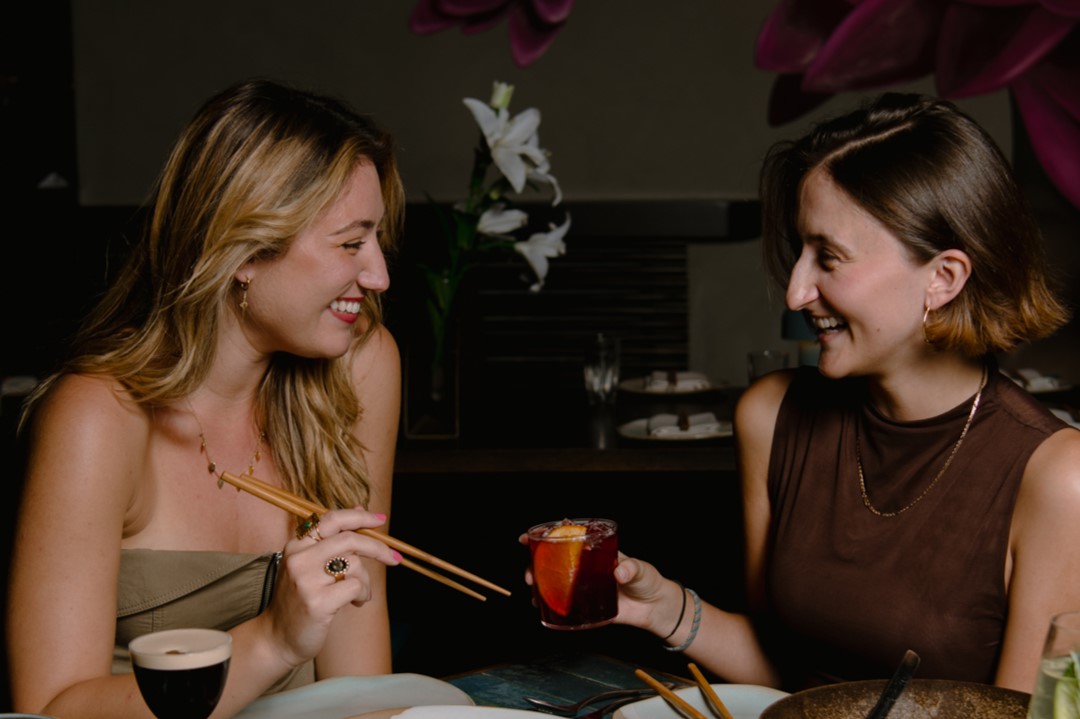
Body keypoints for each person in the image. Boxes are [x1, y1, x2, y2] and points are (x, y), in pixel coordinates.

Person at [6, 79, 468, 717]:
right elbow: (49, 711)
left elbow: (361, 685)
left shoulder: (359, 366)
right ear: (245, 250)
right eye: (349, 242)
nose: (379, 276)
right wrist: (273, 641)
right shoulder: (97, 417)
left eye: (378, 241)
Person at [606, 93, 1080, 692]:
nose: (796, 292)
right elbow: (787, 675)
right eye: (799, 251)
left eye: (828, 257)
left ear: (943, 278)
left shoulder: (1059, 478)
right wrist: (663, 609)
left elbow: (1021, 716)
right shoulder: (771, 415)